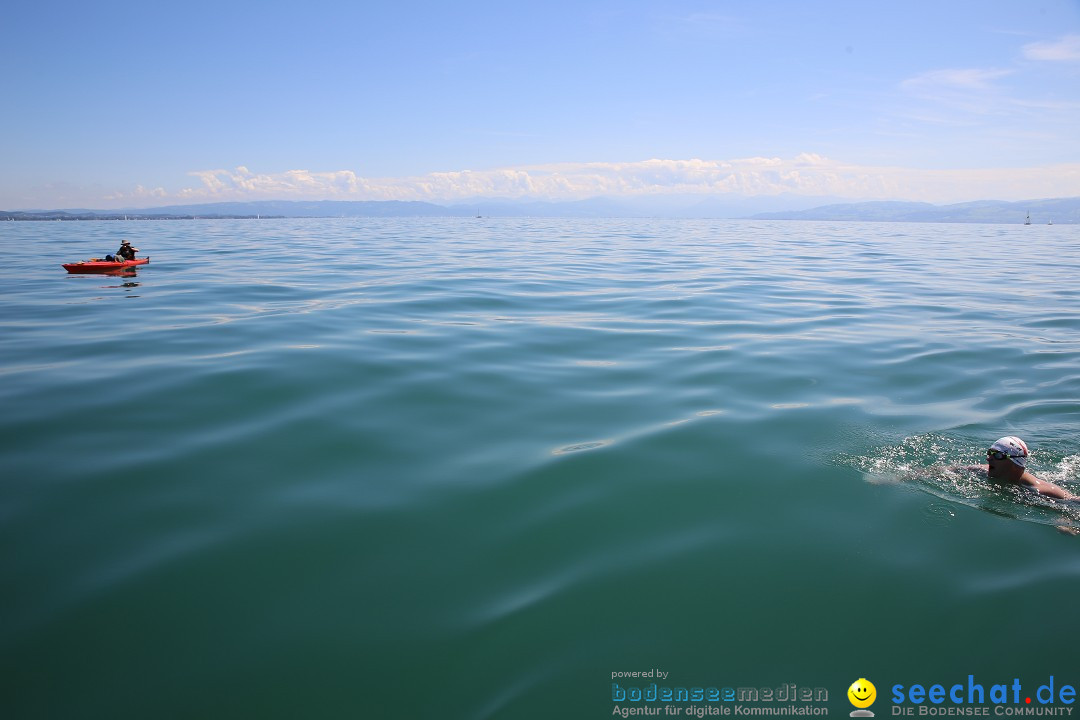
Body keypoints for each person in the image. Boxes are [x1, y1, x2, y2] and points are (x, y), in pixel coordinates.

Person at [967, 436, 1078, 502]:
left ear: (1016, 464)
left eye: (997, 455)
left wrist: (1067, 522)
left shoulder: (1042, 491)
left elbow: (1074, 503)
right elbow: (950, 471)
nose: (988, 459)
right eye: (990, 453)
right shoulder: (980, 471)